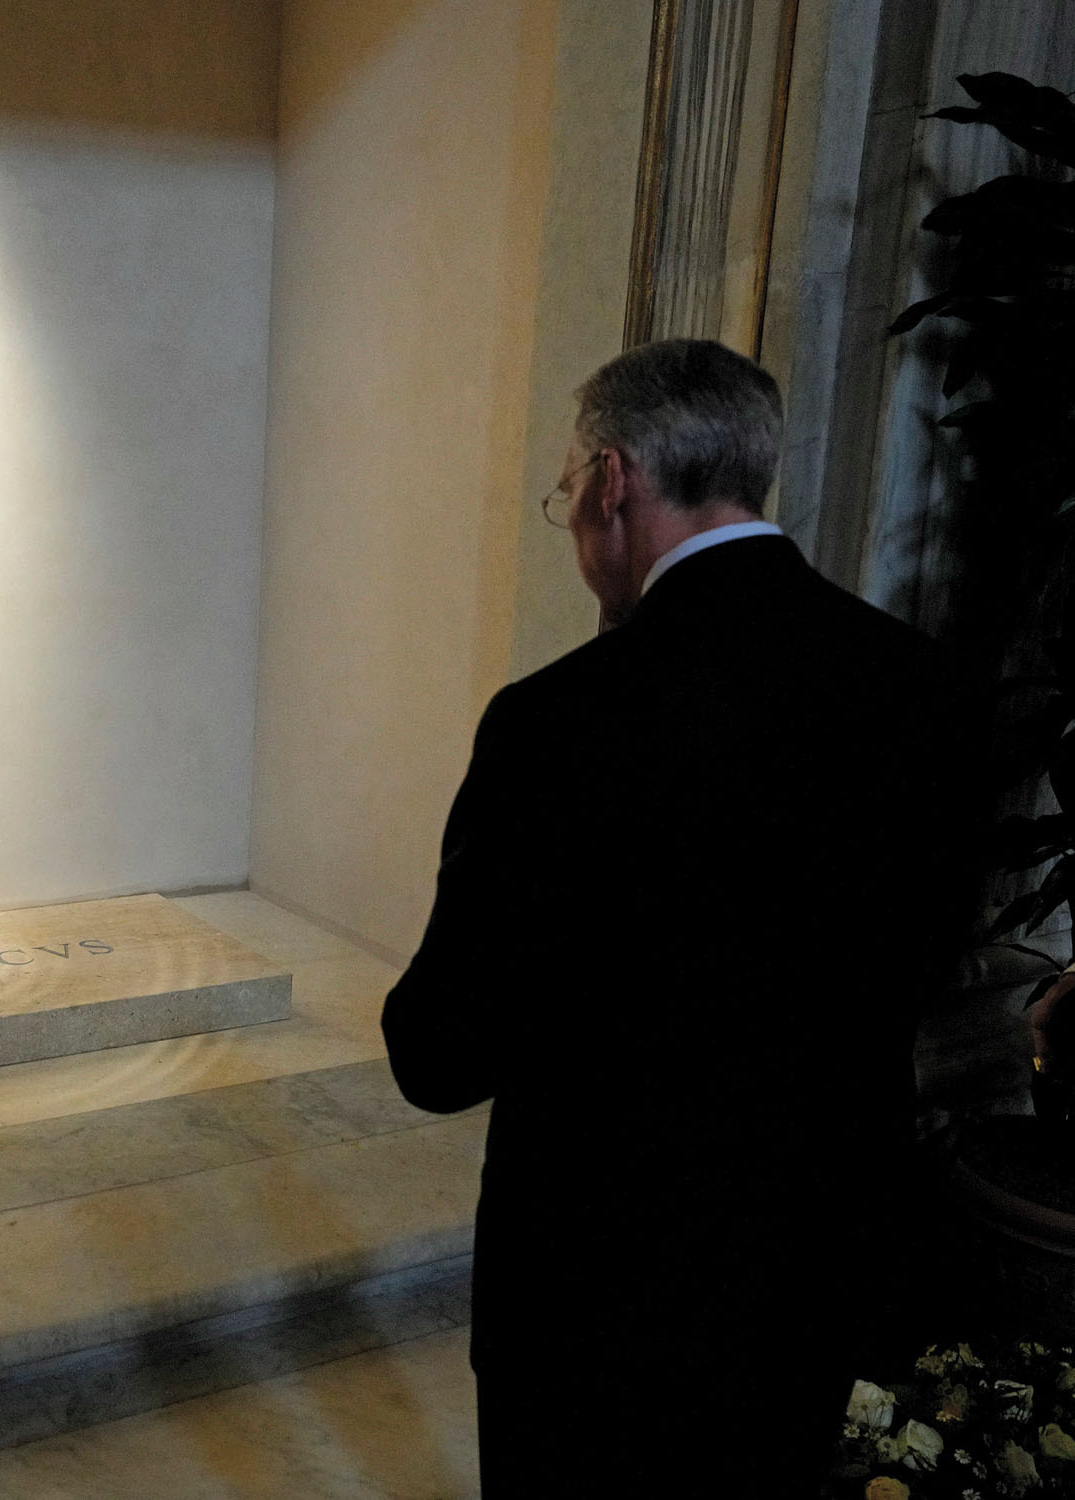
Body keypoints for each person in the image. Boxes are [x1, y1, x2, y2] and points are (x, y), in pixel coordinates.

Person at [381, 339, 982, 1497]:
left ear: (615, 480)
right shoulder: (927, 684)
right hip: (814, 1259)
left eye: (567, 492)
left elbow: (441, 1050)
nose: (570, 523)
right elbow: (927, 951)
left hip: (598, 1289)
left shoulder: (559, 721)